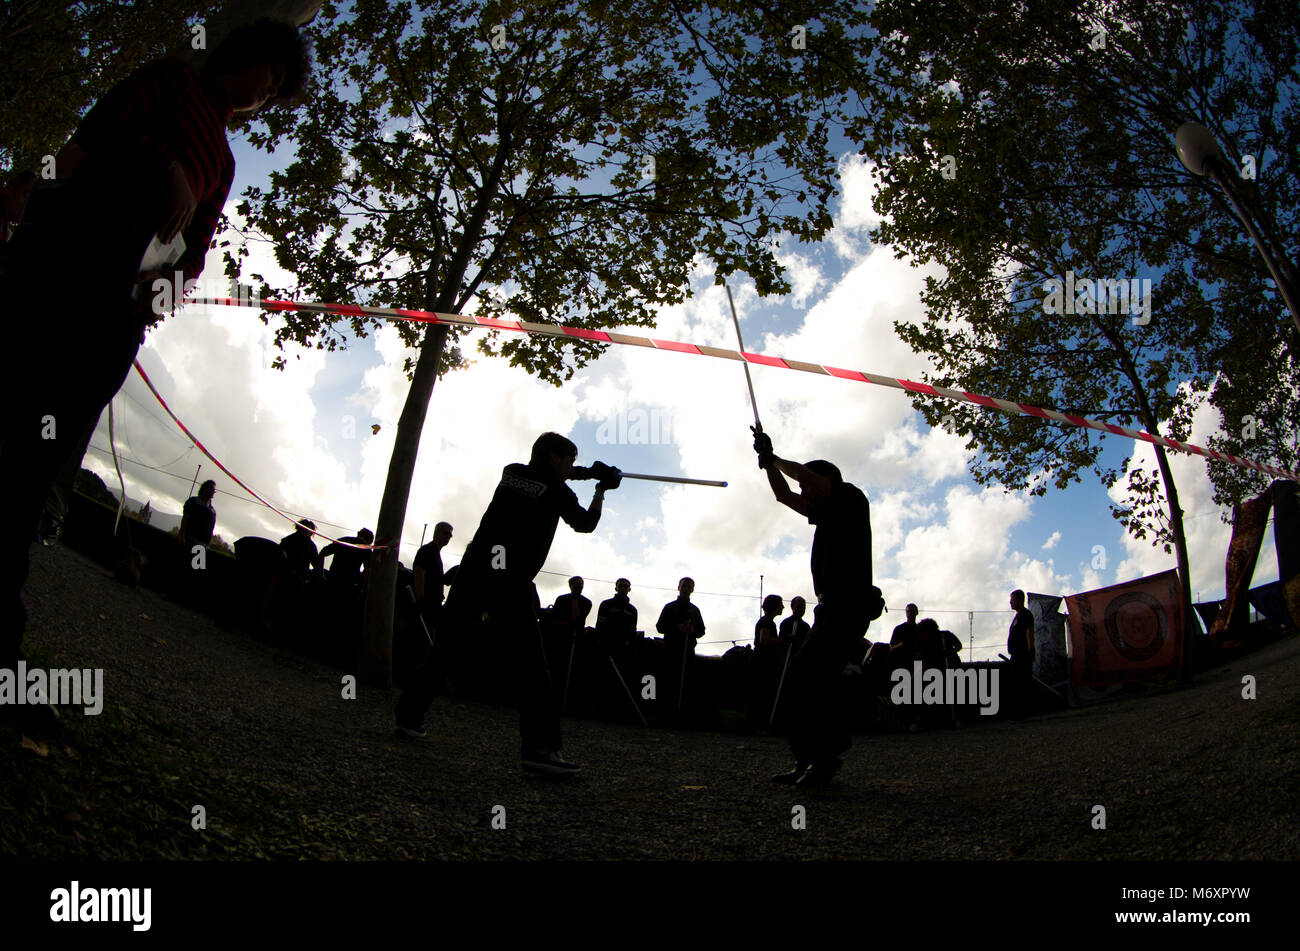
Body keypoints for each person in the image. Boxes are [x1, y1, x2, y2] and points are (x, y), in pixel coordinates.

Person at [0, 20, 311, 704]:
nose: (267, 94)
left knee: (39, 457)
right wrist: (159, 163)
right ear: (249, 57)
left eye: (279, 92)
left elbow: (194, 251)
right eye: (271, 77)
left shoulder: (224, 162)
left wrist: (159, 293)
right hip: (60, 256)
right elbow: (88, 138)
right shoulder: (169, 80)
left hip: (116, 312)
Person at [395, 432, 621, 776]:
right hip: (509, 581)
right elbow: (586, 524)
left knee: (446, 647)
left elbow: (547, 477)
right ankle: (540, 749)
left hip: (473, 572)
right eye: (569, 459)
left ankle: (407, 718)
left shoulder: (512, 472)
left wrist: (589, 471)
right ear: (554, 459)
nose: (571, 466)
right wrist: (601, 490)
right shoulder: (558, 491)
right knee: (533, 667)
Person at [753, 426, 874, 788]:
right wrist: (766, 465)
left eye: (811, 484)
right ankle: (809, 759)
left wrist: (773, 455)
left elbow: (803, 478)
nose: (804, 491)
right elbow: (783, 495)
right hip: (831, 610)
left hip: (848, 607)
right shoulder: (824, 513)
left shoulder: (851, 499)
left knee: (811, 677)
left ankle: (824, 758)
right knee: (805, 679)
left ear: (827, 480)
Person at [655, 577, 705, 718]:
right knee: (667, 682)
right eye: (684, 585)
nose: (686, 588)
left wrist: (691, 629)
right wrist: (676, 627)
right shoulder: (669, 607)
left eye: (689, 586)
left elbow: (701, 631)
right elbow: (660, 627)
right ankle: (664, 713)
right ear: (679, 587)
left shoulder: (695, 611)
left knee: (686, 683)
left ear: (692, 590)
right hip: (670, 650)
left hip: (687, 651)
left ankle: (683, 714)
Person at [412, 521, 453, 628]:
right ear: (436, 533)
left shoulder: (435, 553)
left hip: (433, 603)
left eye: (450, 535)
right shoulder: (427, 550)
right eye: (446, 533)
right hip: (427, 603)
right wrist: (421, 600)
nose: (448, 537)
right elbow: (419, 573)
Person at [1007, 589, 1036, 718]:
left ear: (1019, 600)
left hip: (1023, 655)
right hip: (1015, 655)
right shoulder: (1017, 616)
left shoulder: (1026, 615)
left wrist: (1030, 651)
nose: (1010, 603)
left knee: (1023, 683)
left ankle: (1025, 712)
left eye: (1012, 600)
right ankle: (1019, 711)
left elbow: (1029, 633)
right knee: (1016, 684)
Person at [596, 578, 638, 651]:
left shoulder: (632, 610)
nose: (623, 588)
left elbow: (632, 629)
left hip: (623, 646)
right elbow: (600, 624)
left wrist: (628, 643)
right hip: (606, 643)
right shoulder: (606, 604)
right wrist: (600, 641)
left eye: (625, 586)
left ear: (629, 589)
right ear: (616, 588)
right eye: (620, 586)